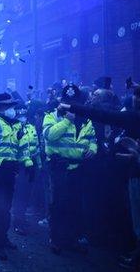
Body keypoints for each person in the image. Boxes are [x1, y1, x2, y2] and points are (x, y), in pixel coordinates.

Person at [58, 84, 140, 271]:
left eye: (137, 94)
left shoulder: (138, 117)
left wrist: (70, 106)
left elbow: (104, 115)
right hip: (135, 174)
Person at [0, 92, 34, 260]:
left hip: (10, 171)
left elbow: (22, 147)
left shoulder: (17, 125)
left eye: (12, 106)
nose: (11, 109)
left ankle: (3, 238)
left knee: (7, 206)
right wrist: (1, 162)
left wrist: (28, 162)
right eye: (7, 106)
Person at [43, 85, 97, 255]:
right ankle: (56, 239)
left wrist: (93, 149)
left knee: (74, 205)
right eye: (66, 102)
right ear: (61, 102)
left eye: (73, 102)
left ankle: (71, 239)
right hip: (58, 167)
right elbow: (49, 135)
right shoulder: (52, 116)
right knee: (57, 204)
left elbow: (92, 139)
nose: (69, 106)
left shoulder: (86, 120)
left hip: (78, 168)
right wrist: (67, 120)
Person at [12, 102, 39, 236]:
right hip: (19, 165)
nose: (22, 115)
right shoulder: (13, 128)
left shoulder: (31, 127)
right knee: (19, 195)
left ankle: (20, 217)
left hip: (31, 164)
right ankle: (18, 221)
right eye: (20, 113)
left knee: (27, 193)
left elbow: (36, 146)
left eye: (24, 112)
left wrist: (37, 164)